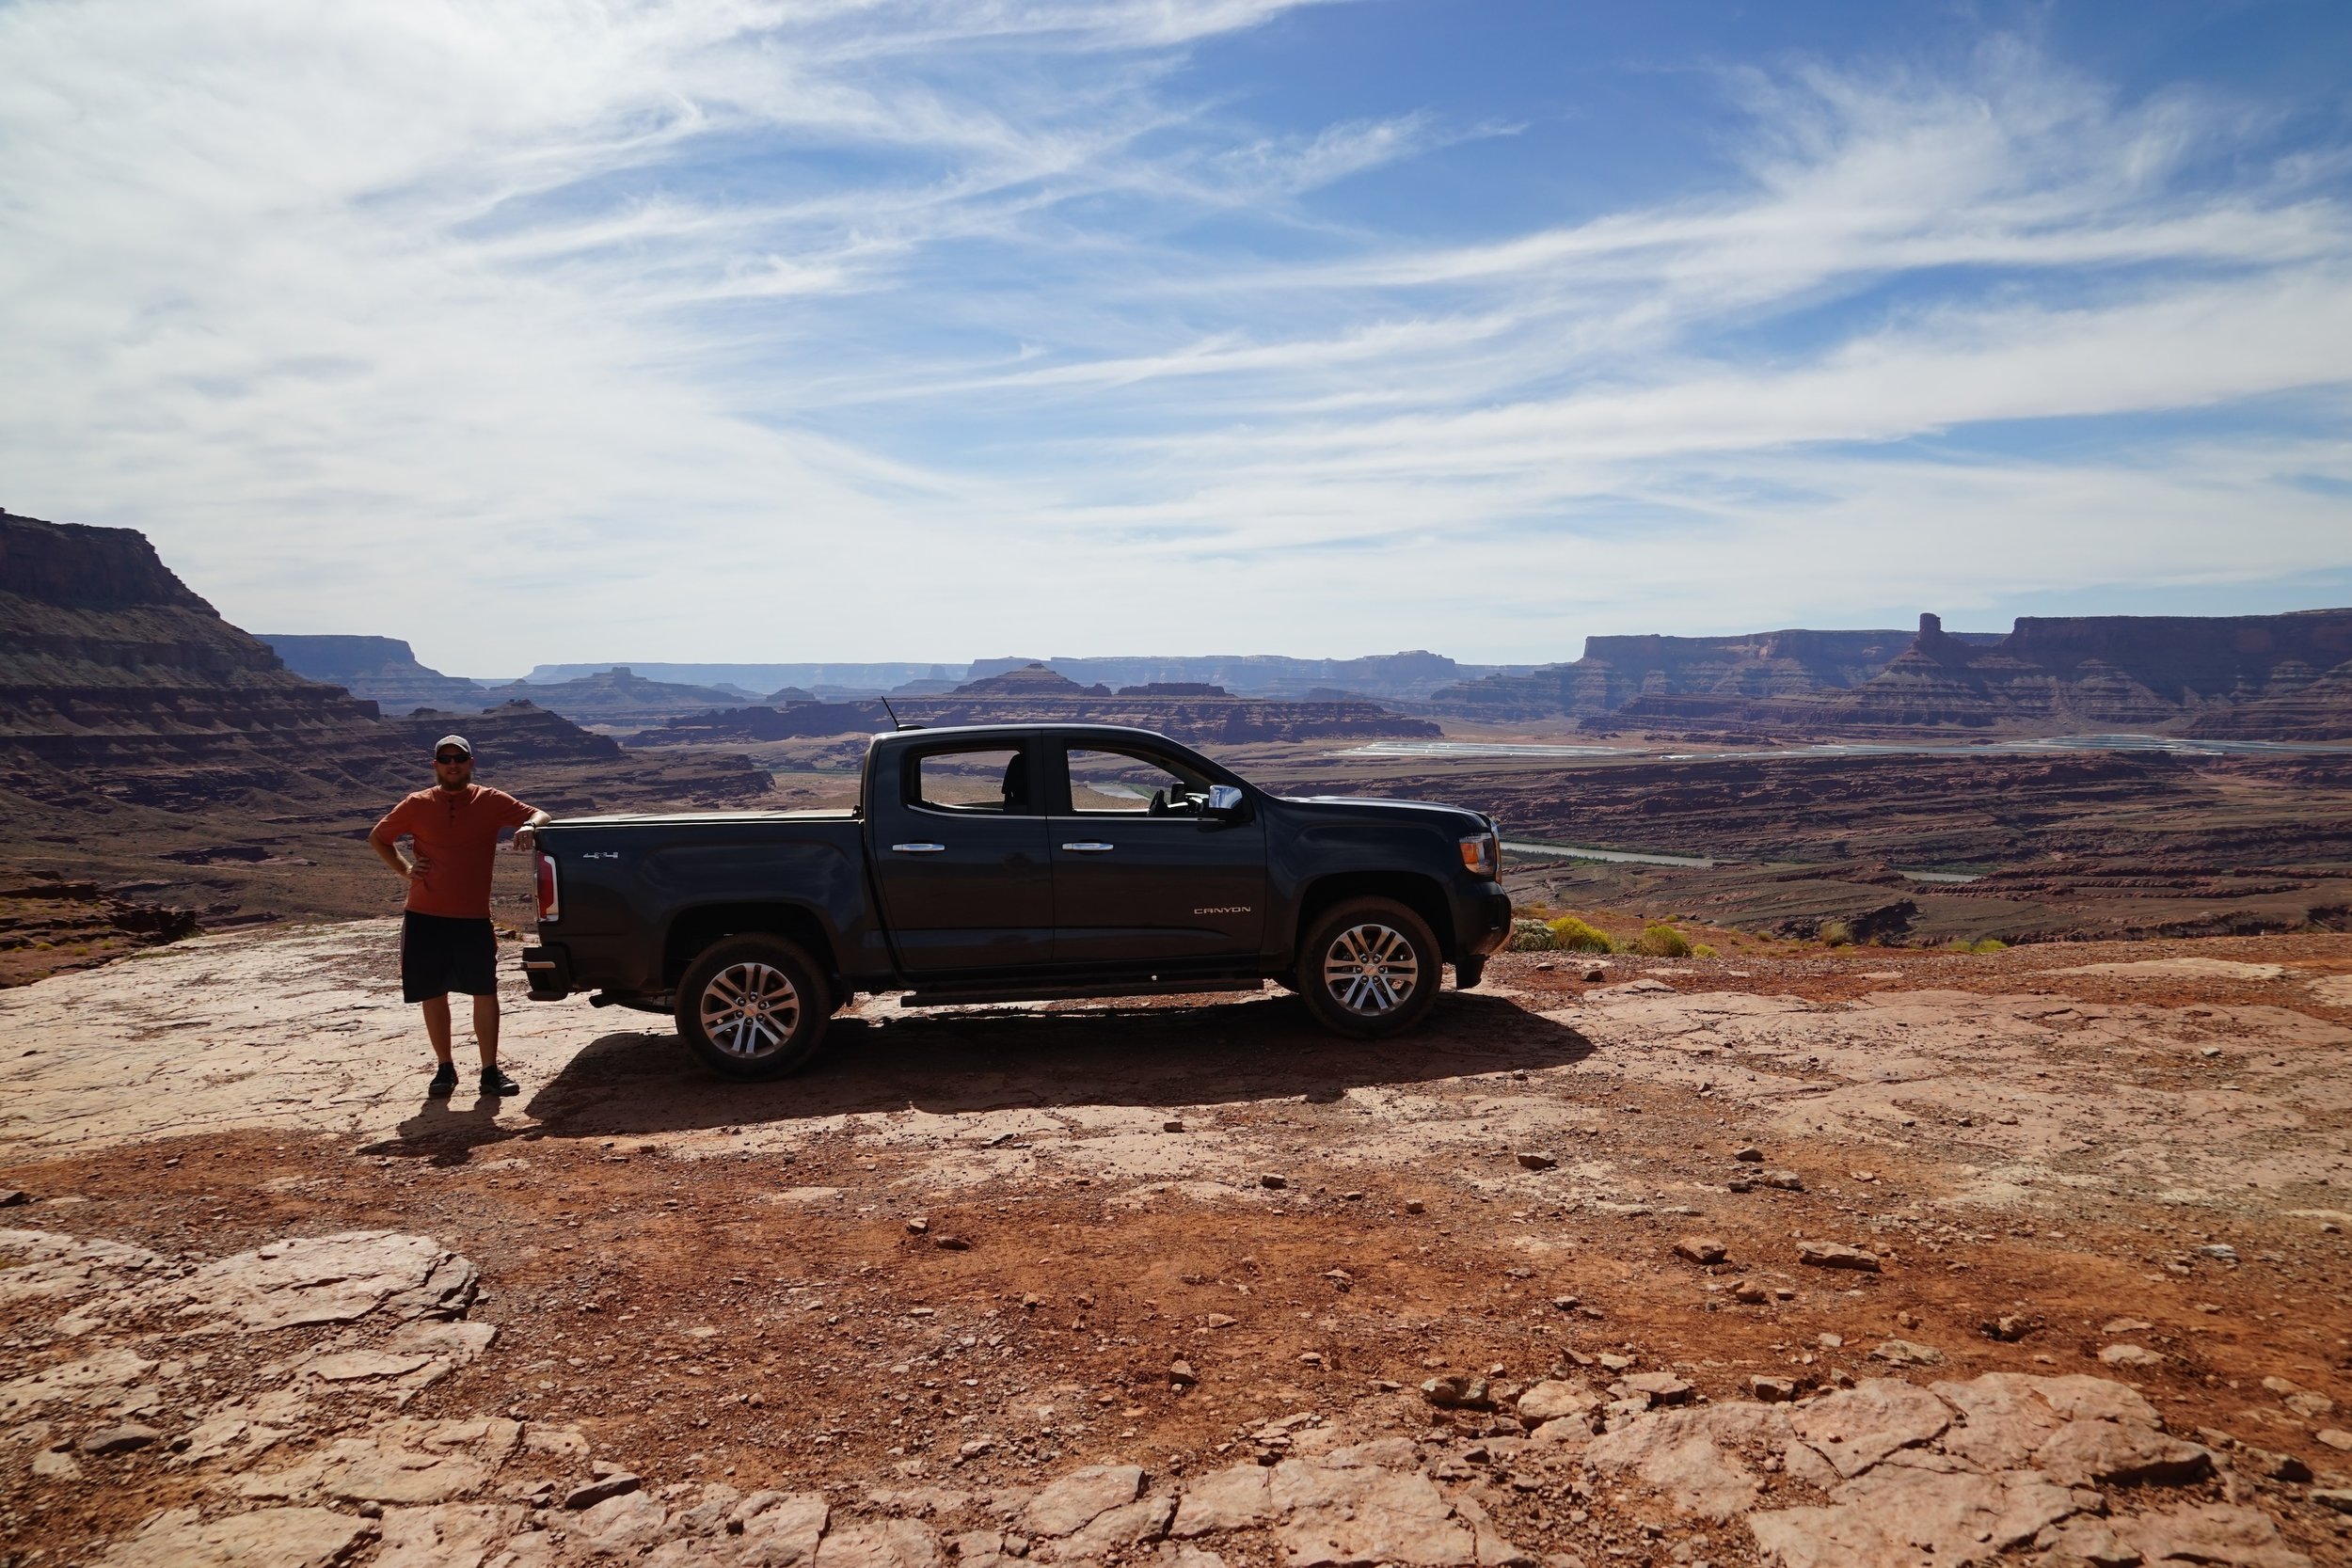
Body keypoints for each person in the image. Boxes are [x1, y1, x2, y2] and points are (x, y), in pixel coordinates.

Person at [369, 735, 550, 1099]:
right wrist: (406, 870)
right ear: (435, 765)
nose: (453, 764)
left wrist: (530, 826)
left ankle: (489, 1071)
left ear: (471, 763)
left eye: (459, 758)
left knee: (484, 991)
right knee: (432, 992)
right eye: (445, 759)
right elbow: (379, 837)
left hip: (472, 916)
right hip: (425, 914)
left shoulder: (489, 800)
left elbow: (539, 814)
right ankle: (444, 1069)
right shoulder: (416, 803)